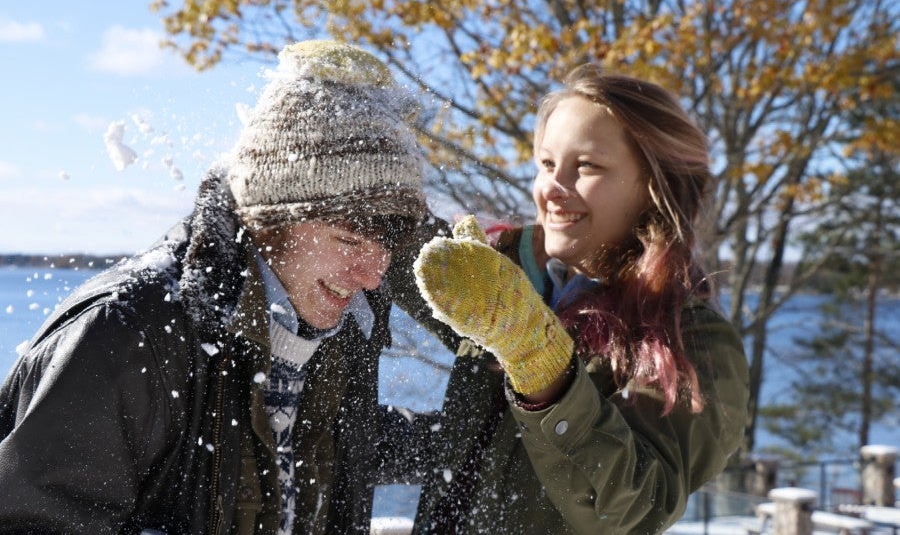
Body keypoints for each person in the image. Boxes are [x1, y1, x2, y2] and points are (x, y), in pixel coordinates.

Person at [0, 40, 429, 534]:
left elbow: (316, 441)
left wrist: (481, 421)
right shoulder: (127, 336)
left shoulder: (339, 317)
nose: (373, 275)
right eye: (349, 240)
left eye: (387, 246)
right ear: (272, 218)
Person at [407, 64, 750, 534]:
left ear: (656, 187)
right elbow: (391, 254)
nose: (551, 188)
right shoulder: (506, 283)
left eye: (586, 166)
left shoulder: (695, 340)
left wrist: (544, 370)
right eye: (547, 164)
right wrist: (362, 147)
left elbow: (636, 510)